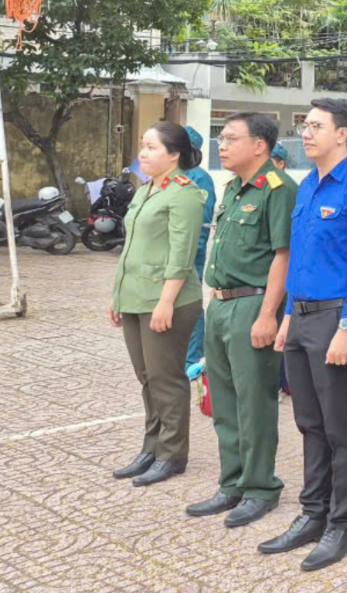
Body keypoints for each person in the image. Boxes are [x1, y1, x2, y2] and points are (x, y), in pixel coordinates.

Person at [262, 98, 347, 571]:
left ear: (344, 135)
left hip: (337, 318)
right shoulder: (307, 185)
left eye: (316, 126)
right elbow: (303, 259)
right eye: (304, 125)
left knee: (340, 426)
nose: (305, 133)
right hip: (302, 317)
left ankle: (342, 523)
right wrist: (289, 316)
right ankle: (313, 512)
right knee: (308, 422)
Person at [187, 112, 295, 528]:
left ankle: (260, 487)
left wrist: (269, 314)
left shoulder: (277, 189)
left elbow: (282, 256)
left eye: (232, 138)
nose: (222, 145)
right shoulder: (232, 188)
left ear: (260, 146)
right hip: (221, 301)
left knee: (254, 402)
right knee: (225, 401)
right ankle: (231, 483)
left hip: (253, 304)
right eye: (221, 138)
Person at [109, 122, 207, 487]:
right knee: (146, 378)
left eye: (151, 147)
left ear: (174, 154)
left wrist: (166, 302)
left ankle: (171, 453)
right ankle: (150, 447)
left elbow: (182, 256)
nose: (143, 153)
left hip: (169, 300)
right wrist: (117, 295)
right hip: (135, 298)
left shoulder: (184, 193)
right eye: (142, 146)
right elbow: (130, 248)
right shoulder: (146, 190)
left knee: (167, 379)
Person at [182, 127, 218, 376]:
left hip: (189, 252)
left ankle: (193, 357)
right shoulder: (173, 174)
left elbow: (202, 220)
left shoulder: (199, 177)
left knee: (190, 304)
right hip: (171, 255)